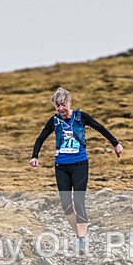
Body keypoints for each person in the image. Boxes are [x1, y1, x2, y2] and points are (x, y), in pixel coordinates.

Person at [30, 87, 124, 252]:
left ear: (70, 102)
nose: (60, 108)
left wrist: (115, 144)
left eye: (63, 104)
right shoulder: (54, 120)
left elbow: (100, 128)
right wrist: (34, 156)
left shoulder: (81, 116)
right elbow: (41, 137)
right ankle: (79, 235)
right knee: (66, 205)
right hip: (61, 166)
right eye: (57, 106)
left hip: (80, 164)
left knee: (79, 202)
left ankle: (81, 239)